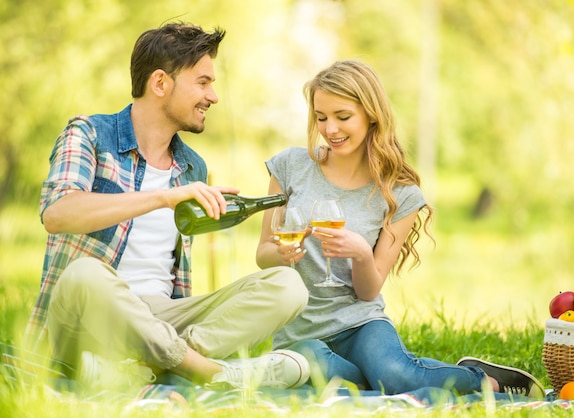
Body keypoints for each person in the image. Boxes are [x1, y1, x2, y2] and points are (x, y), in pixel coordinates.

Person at [23, 22, 311, 391]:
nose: (213, 96)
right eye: (203, 82)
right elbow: (58, 213)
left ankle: (152, 370)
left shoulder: (192, 167)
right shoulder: (89, 134)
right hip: (88, 317)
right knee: (85, 274)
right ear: (160, 83)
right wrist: (162, 198)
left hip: (161, 320)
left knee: (288, 286)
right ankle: (210, 373)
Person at [256, 60, 544, 398]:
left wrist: (362, 253)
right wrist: (283, 252)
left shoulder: (400, 193)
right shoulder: (291, 167)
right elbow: (263, 255)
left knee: (394, 375)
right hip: (300, 334)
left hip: (360, 324)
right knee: (318, 369)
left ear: (371, 115)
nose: (330, 129)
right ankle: (382, 379)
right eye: (321, 118)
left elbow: (369, 289)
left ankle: (481, 379)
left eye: (342, 117)